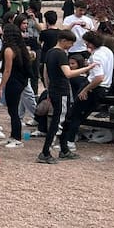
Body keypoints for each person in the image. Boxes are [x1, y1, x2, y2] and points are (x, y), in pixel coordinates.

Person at [39, 31, 93, 164]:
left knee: (64, 120)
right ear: (63, 41)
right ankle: (45, 152)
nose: (71, 46)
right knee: (59, 121)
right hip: (61, 91)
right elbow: (68, 73)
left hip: (53, 89)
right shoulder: (61, 54)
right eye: (70, 43)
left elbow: (45, 73)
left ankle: (64, 149)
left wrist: (48, 89)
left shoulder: (50, 52)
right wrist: (87, 68)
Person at [60, 30, 114, 148]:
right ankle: (71, 137)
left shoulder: (97, 56)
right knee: (80, 113)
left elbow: (99, 77)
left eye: (87, 43)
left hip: (94, 87)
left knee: (75, 113)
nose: (86, 45)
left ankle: (68, 141)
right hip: (105, 87)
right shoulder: (107, 51)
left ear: (92, 43)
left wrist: (85, 90)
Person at [0, 23, 32, 149]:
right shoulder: (20, 47)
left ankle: (17, 138)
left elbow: (7, 70)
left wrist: (1, 86)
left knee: (13, 111)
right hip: (20, 80)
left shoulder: (8, 50)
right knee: (13, 110)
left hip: (13, 81)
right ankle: (13, 135)